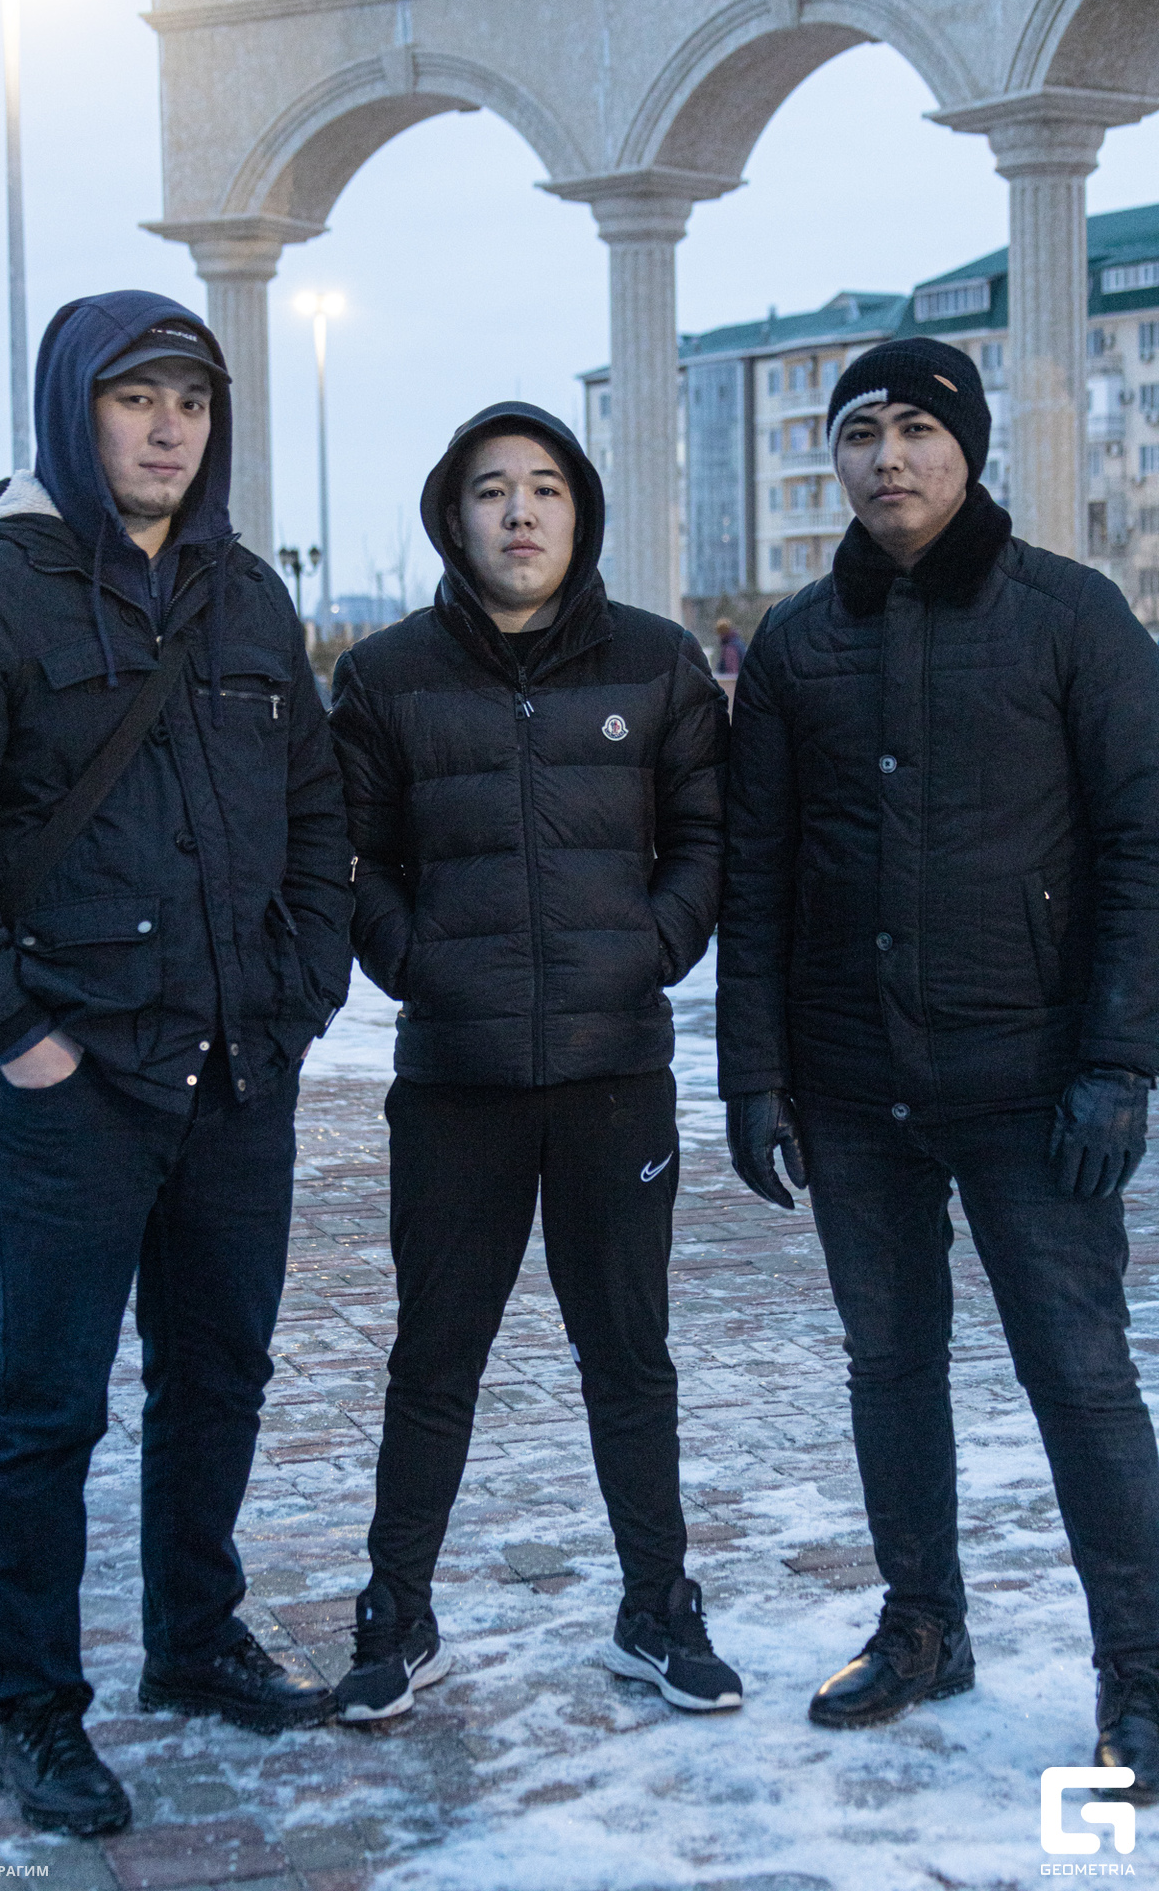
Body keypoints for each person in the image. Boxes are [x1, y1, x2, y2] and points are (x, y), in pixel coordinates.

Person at [0, 292, 353, 1835]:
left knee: (220, 1374)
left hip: (236, 1072)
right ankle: (34, 1708)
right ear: (72, 409)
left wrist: (303, 990)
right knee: (47, 1404)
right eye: (134, 398)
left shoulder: (249, 598)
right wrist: (18, 1039)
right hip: (70, 1085)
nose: (168, 429)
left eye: (192, 402)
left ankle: (194, 1640)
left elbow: (318, 815)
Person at [717, 335, 1159, 1795]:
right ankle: (924, 1627)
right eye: (862, 432)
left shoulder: (1073, 618)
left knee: (1080, 1378)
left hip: (1035, 1083)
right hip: (855, 1086)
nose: (888, 456)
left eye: (917, 427)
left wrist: (1120, 1061)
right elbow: (760, 876)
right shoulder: (795, 644)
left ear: (966, 446)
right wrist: (754, 1075)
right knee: (891, 1364)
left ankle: (1143, 1675)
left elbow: (1144, 846)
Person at [328, 401, 739, 1722]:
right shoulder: (388, 677)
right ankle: (398, 1614)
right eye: (493, 489)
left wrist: (648, 949)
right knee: (434, 1355)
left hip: (616, 1070)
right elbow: (352, 858)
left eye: (547, 487)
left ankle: (657, 1608)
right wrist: (422, 966)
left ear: (581, 511)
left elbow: (707, 841)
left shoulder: (658, 663)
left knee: (629, 1355)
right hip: (456, 1077)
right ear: (453, 516)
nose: (521, 511)